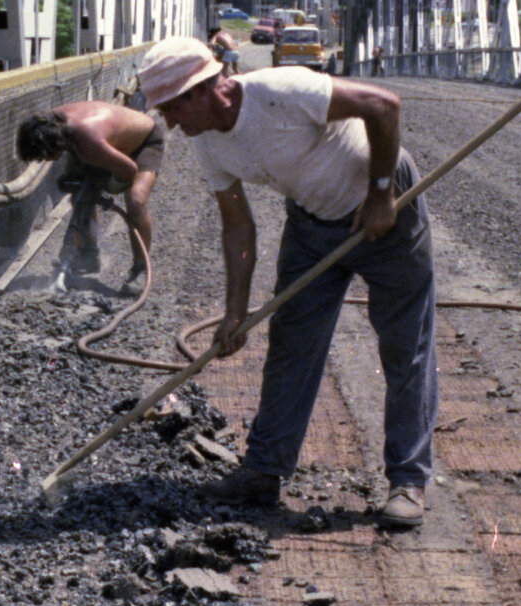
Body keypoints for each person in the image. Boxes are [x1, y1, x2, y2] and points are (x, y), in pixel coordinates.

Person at [136, 35, 434, 529]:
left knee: (406, 346)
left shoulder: (282, 90)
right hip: (312, 223)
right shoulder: (208, 143)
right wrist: (235, 312)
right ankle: (264, 469)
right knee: (292, 343)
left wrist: (381, 193)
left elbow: (383, 106)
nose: (169, 123)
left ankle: (408, 479)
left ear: (199, 91)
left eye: (171, 108)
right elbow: (238, 226)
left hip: (385, 210)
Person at [15, 101, 164, 291]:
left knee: (136, 200)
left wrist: (107, 186)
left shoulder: (88, 140)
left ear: (55, 147)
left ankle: (140, 269)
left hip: (143, 142)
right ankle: (89, 256)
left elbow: (128, 170)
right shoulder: (50, 124)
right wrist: (88, 186)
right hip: (106, 143)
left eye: (44, 157)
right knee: (80, 192)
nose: (44, 161)